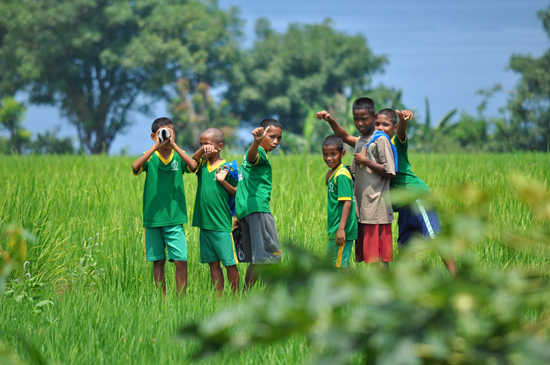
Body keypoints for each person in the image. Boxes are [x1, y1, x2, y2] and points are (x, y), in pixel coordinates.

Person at [317, 99, 396, 269]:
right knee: (370, 257)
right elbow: (344, 137)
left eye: (365, 119)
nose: (360, 123)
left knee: (379, 258)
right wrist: (329, 119)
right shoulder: (362, 140)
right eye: (356, 119)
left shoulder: (380, 140)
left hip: (377, 210)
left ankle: (385, 294)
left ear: (374, 117)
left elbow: (390, 171)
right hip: (363, 211)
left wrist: (366, 161)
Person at [131, 117, 198, 296]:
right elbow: (135, 167)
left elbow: (192, 166)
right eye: (163, 133)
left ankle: (181, 301)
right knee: (158, 261)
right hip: (153, 219)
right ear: (154, 136)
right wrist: (156, 147)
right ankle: (162, 300)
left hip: (175, 218)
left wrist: (174, 146)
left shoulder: (178, 155)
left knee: (180, 260)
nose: (167, 136)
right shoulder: (151, 155)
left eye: (171, 132)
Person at [391, 110, 458, 275]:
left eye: (385, 124)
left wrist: (403, 120)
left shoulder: (394, 142)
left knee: (436, 238)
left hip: (415, 196)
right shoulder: (374, 148)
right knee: (405, 246)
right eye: (377, 124)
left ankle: (455, 277)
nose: (380, 127)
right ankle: (412, 286)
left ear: (393, 127)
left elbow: (402, 132)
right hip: (403, 204)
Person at [191, 128, 240, 296]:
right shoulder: (201, 165)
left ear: (219, 146)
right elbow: (191, 162)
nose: (204, 148)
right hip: (205, 224)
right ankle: (218, 299)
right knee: (213, 264)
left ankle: (236, 298)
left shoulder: (228, 167)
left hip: (222, 225)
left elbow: (238, 193)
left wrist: (223, 181)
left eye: (208, 144)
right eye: (201, 144)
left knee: (229, 263)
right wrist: (201, 151)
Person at [235, 119, 283, 290]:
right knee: (273, 254)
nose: (276, 142)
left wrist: (236, 215)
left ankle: (246, 293)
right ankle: (268, 297)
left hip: (245, 210)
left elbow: (243, 186)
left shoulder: (248, 157)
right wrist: (256, 142)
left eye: (279, 138)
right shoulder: (258, 153)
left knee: (258, 257)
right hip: (258, 209)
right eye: (271, 137)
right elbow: (253, 156)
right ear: (262, 134)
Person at [322, 135, 358, 269]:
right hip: (336, 227)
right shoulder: (335, 172)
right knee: (341, 263)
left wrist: (341, 229)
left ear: (342, 153)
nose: (329, 158)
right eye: (325, 154)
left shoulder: (342, 174)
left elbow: (347, 202)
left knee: (337, 266)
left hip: (341, 228)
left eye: (333, 154)